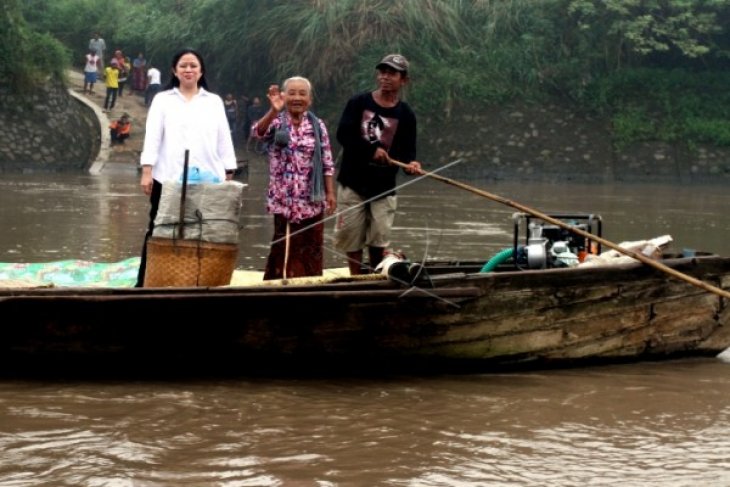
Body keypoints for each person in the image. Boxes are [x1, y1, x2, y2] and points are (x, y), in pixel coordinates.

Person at [135, 48, 238, 287]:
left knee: (205, 229)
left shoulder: (213, 101)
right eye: (183, 66)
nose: (188, 70)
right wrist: (147, 170)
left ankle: (200, 281)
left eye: (193, 65)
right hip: (167, 176)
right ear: (174, 70)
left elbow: (224, 137)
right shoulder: (163, 99)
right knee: (159, 227)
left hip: (208, 178)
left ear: (201, 71)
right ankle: (146, 283)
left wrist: (228, 171)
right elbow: (153, 137)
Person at [333, 54, 423, 275]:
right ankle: (355, 278)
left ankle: (374, 276)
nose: (385, 77)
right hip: (352, 181)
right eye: (382, 72)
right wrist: (371, 151)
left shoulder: (406, 115)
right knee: (351, 237)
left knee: (378, 239)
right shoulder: (358, 103)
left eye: (392, 73)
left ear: (404, 80)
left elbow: (407, 151)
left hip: (383, 187)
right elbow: (344, 134)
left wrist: (411, 164)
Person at [251, 77, 336, 280]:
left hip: (312, 199)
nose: (297, 98)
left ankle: (311, 287)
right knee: (283, 246)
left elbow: (326, 161)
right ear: (283, 96)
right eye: (292, 93)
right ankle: (278, 287)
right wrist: (273, 110)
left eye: (302, 93)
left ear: (310, 99)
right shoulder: (277, 122)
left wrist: (330, 193)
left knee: (312, 247)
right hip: (284, 199)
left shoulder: (318, 126)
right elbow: (257, 133)